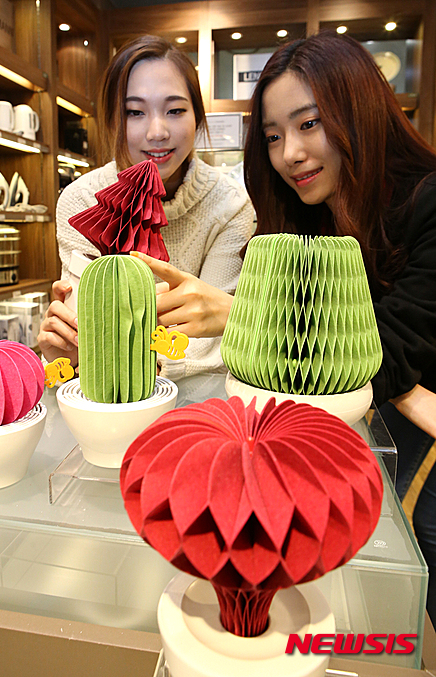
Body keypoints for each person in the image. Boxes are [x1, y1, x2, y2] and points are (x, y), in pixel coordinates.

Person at [138, 31, 436, 625]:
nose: (289, 154)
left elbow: (391, 351)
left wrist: (246, 316)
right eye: (273, 136)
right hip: (346, 440)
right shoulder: (304, 216)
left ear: (359, 110)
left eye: (309, 124)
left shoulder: (426, 202)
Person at [38, 35, 254, 380]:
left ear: (198, 117)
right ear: (113, 120)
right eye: (135, 112)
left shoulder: (229, 205)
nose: (157, 132)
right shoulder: (82, 201)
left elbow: (215, 337)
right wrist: (69, 349)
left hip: (197, 395)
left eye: (175, 110)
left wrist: (130, 359)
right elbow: (86, 332)